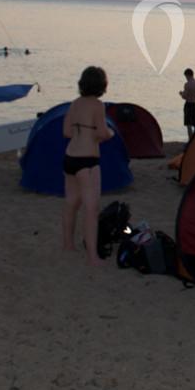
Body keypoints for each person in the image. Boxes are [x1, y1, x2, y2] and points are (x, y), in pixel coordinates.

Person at [62, 65, 113, 267]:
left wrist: (83, 132)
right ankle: (92, 256)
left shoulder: (74, 104)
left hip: (70, 157)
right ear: (102, 85)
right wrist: (111, 133)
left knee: (71, 203)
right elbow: (101, 133)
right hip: (87, 161)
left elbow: (66, 132)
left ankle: (67, 245)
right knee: (91, 209)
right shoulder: (98, 106)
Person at [179, 68, 195, 139]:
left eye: (185, 76)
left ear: (187, 75)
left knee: (188, 124)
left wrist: (181, 93)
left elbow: (184, 96)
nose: (186, 78)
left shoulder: (187, 84)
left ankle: (190, 140)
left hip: (189, 104)